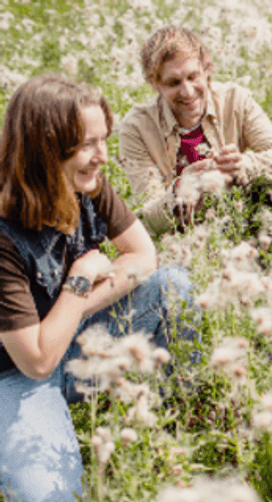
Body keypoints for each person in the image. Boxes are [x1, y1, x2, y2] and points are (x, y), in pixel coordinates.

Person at [0, 75, 196, 502]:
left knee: (172, 288)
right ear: (45, 148)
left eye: (103, 140)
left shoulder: (83, 183)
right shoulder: (3, 235)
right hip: (13, 375)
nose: (102, 157)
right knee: (52, 495)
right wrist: (79, 280)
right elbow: (35, 361)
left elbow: (144, 257)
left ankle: (170, 422)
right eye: (87, 144)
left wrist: (77, 306)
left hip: (70, 338)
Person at [119, 25, 272, 235]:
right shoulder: (137, 128)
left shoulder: (234, 100)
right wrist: (180, 190)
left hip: (248, 226)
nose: (187, 92)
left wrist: (242, 165)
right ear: (154, 84)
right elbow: (148, 218)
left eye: (193, 77)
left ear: (206, 70)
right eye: (173, 83)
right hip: (184, 243)